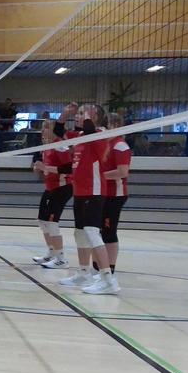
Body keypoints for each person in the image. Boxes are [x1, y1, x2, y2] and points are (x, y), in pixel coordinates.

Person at [55, 103, 120, 295]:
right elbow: (59, 131)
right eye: (79, 112)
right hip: (80, 191)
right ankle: (84, 273)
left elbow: (91, 128)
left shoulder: (100, 134)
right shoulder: (81, 136)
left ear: (94, 116)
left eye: (83, 113)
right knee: (80, 233)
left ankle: (108, 279)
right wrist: (65, 113)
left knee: (92, 232)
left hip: (94, 191)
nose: (78, 115)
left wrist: (87, 116)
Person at [29, 119, 73, 269]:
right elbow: (47, 167)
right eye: (42, 128)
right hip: (50, 187)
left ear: (54, 130)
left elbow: (68, 169)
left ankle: (61, 259)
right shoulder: (46, 146)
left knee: (52, 222)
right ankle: (52, 253)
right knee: (42, 220)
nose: (43, 131)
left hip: (63, 187)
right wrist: (39, 168)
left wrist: (45, 167)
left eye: (46, 128)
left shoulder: (60, 145)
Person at [100, 112, 132, 278]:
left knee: (109, 231)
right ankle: (100, 267)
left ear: (115, 126)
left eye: (105, 125)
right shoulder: (106, 144)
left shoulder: (120, 146)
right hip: (104, 193)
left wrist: (98, 176)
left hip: (115, 195)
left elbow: (122, 172)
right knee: (100, 231)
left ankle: (110, 269)